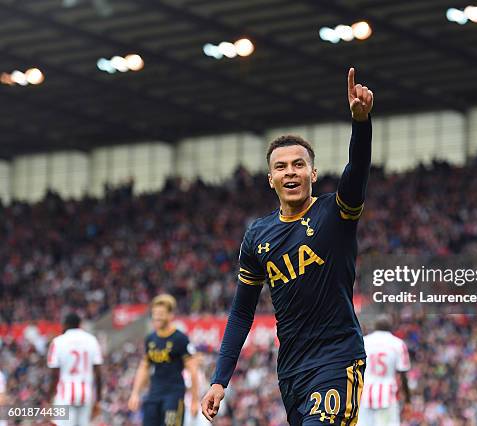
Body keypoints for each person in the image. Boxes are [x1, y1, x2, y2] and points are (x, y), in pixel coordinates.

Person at [201, 67, 374, 425]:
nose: (290, 172)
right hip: (292, 371)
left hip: (337, 359)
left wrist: (361, 123)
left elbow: (357, 169)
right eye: (281, 167)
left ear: (313, 174)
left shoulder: (335, 213)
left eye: (299, 165)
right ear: (271, 179)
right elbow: (241, 312)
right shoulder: (257, 237)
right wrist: (220, 379)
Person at [128, 294, 200, 426]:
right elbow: (144, 367)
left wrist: (195, 400)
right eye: (154, 313)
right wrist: (135, 393)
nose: (157, 317)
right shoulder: (150, 339)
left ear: (170, 315)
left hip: (174, 395)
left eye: (161, 313)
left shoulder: (180, 339)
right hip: (153, 394)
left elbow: (193, 370)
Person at [47, 313, 103, 426]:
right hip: (86, 393)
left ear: (65, 325)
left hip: (65, 394)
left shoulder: (58, 342)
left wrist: (50, 397)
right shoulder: (92, 340)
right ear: (80, 324)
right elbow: (98, 373)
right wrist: (98, 399)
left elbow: (54, 375)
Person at [357, 316, 410, 426]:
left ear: (375, 327)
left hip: (366, 393)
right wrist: (407, 398)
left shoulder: (364, 342)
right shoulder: (398, 344)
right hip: (388, 394)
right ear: (390, 327)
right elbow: (403, 373)